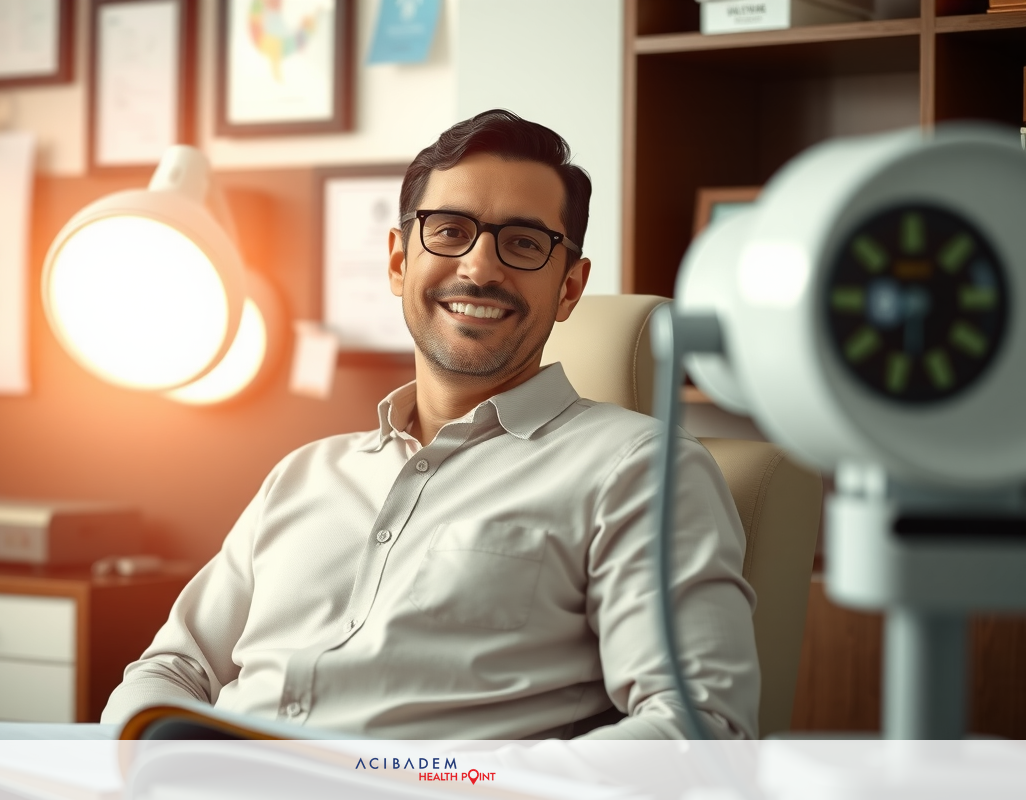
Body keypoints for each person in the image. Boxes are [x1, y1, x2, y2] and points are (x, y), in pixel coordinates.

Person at [101, 110, 759, 739]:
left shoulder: (639, 470)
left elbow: (701, 726)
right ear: (398, 262)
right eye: (448, 231)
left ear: (569, 288)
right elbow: (171, 669)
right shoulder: (303, 474)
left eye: (524, 243)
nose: (479, 267)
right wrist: (149, 759)